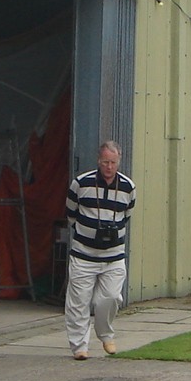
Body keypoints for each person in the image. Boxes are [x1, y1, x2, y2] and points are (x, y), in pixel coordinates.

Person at [62, 141, 137, 358]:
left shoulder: (128, 187)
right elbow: (70, 212)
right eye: (105, 162)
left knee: (112, 297)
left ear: (119, 161)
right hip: (83, 253)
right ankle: (79, 347)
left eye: (113, 162)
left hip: (113, 255)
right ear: (98, 160)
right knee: (79, 301)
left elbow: (127, 215)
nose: (109, 167)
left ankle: (105, 334)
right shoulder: (81, 183)